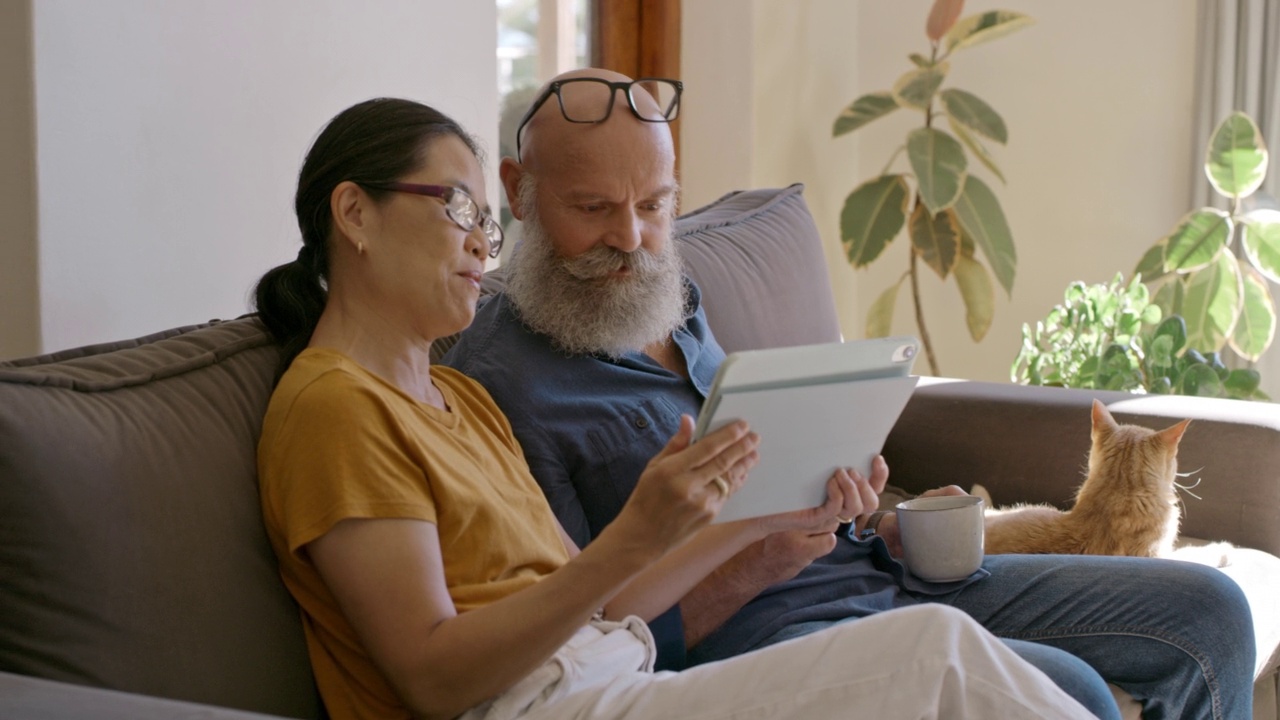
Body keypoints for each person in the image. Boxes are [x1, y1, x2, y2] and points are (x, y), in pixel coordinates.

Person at [442, 69, 1258, 720]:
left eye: (654, 206)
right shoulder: (496, 382)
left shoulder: (670, 294)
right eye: (594, 209)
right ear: (518, 191)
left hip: (881, 566)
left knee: (1211, 613)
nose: (630, 239)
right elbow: (584, 643)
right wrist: (750, 568)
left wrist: (868, 509)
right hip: (778, 633)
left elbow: (771, 465)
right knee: (1069, 691)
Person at [252, 97, 1095, 720]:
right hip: (541, 708)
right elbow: (432, 680)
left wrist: (754, 521)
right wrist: (634, 535)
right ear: (355, 212)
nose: (481, 241)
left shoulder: (458, 400)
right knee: (936, 655)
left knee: (951, 659)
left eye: (484, 219)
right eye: (457, 208)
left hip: (609, 677)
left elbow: (599, 608)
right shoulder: (335, 409)